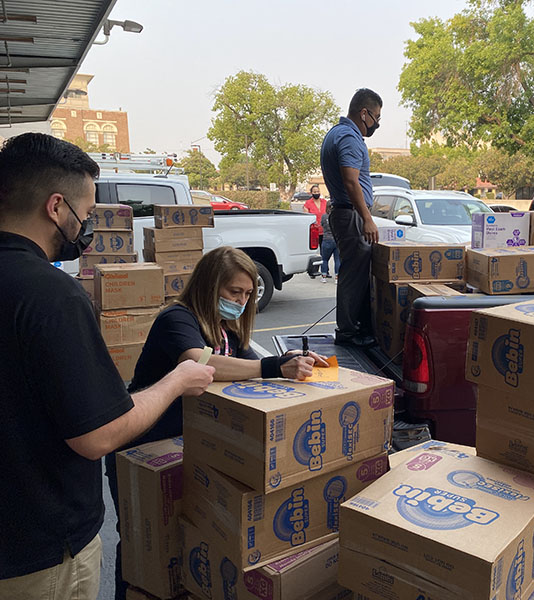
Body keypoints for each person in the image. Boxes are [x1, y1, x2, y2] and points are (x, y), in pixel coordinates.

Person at [0, 133, 215, 599]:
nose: (85, 226)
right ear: (56, 207)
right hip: (37, 555)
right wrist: (177, 380)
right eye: (86, 212)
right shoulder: (48, 294)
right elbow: (98, 434)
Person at [105, 245, 327, 600]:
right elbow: (201, 365)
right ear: (210, 286)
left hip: (186, 450)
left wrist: (291, 361)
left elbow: (254, 370)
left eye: (248, 294)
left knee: (183, 542)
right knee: (139, 545)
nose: (241, 301)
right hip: (141, 448)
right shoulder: (177, 320)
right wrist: (271, 367)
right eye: (233, 292)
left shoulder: (227, 331)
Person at [320, 88, 382, 347]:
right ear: (363, 112)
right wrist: (366, 217)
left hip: (345, 213)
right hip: (351, 214)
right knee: (353, 275)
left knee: (354, 272)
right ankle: (349, 331)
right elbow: (350, 180)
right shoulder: (349, 136)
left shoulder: (337, 132)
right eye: (376, 117)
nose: (377, 123)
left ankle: (353, 327)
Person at [319, 200, 340, 282]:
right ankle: (337, 277)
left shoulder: (324, 216)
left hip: (326, 239)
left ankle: (324, 276)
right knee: (337, 259)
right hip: (336, 239)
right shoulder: (338, 216)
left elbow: (322, 224)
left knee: (324, 259)